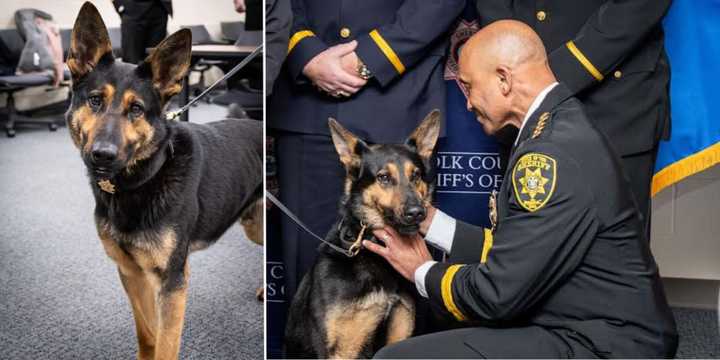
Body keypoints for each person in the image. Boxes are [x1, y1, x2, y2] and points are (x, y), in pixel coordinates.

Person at [364, 20, 678, 358]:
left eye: (469, 86)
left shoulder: (548, 154)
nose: (467, 103)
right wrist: (431, 222)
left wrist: (422, 271)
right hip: (595, 327)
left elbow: (497, 293)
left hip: (601, 344)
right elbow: (517, 250)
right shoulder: (556, 125)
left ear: (503, 79)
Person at [267, 0, 465, 303]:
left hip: (400, 100)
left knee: (399, 296)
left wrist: (369, 59)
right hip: (308, 104)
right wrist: (306, 54)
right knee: (307, 290)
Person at [474, 0, 673, 234]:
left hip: (613, 100)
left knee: (609, 252)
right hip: (520, 99)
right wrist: (507, 53)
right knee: (525, 245)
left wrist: (546, 78)